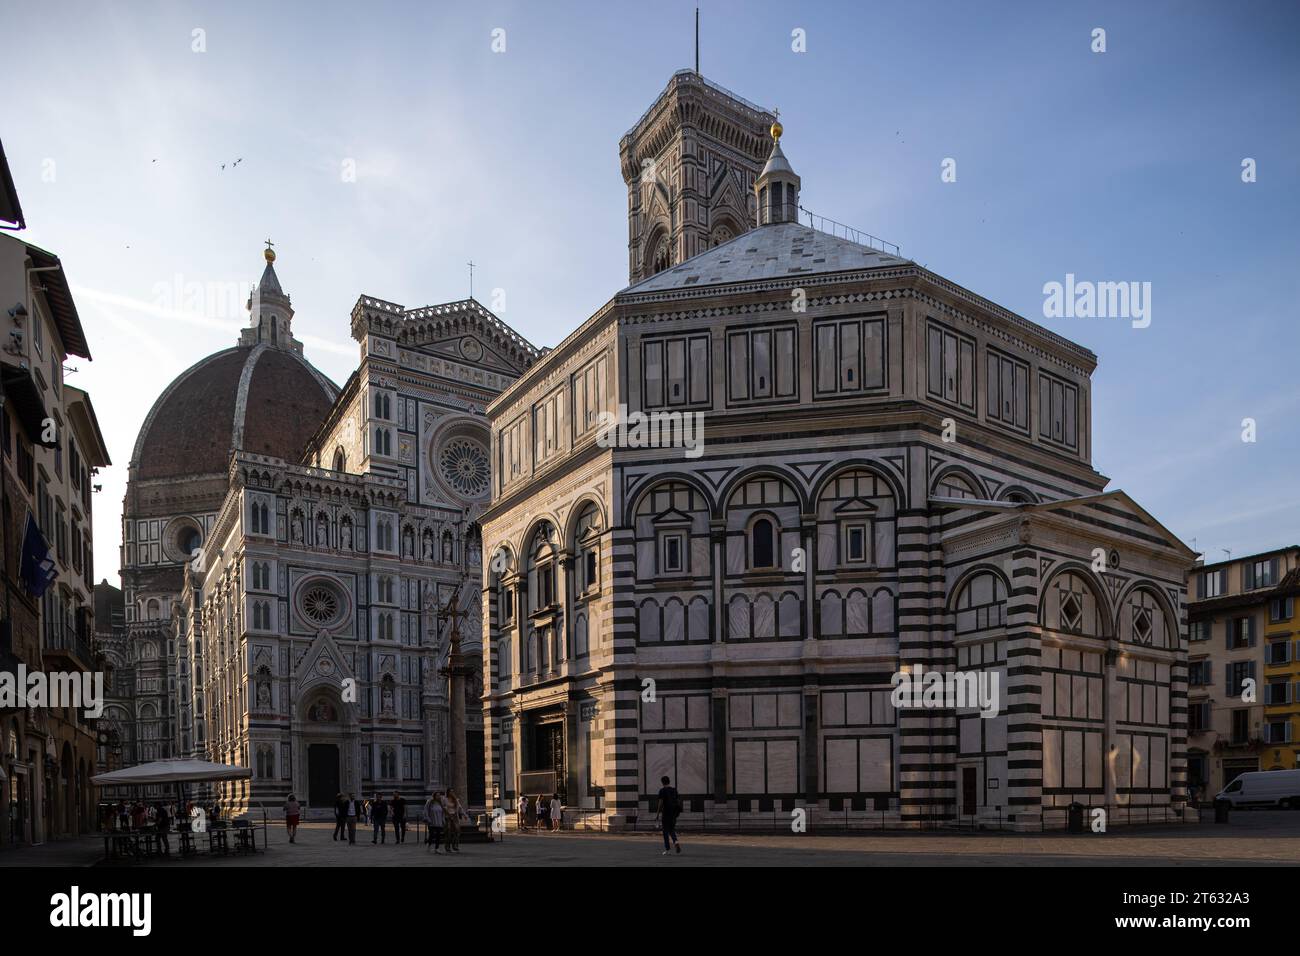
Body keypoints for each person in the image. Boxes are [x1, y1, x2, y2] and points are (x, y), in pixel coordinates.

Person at [655, 775, 681, 855]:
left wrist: (657, 813)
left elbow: (660, 803)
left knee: (665, 831)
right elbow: (678, 801)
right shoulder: (674, 790)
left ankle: (667, 849)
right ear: (669, 781)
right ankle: (675, 841)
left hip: (666, 813)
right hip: (674, 813)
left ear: (662, 782)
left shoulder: (662, 791)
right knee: (671, 829)